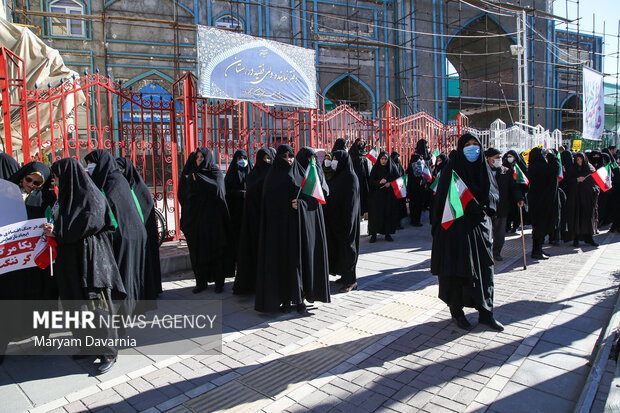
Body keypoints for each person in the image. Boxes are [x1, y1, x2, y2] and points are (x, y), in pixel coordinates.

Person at [44, 158, 126, 374]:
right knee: (75, 304)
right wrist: (53, 228)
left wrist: (58, 232)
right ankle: (87, 344)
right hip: (69, 261)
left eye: (56, 175)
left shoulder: (90, 196)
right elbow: (64, 222)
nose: (54, 180)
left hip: (91, 260)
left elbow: (91, 224)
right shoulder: (64, 197)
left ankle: (109, 351)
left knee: (97, 306)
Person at [431, 133, 502, 331]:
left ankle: (486, 313)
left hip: (480, 228)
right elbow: (441, 202)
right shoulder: (451, 169)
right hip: (456, 230)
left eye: (475, 144)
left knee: (484, 272)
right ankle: (457, 312)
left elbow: (494, 195)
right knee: (459, 272)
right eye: (468, 145)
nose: (472, 148)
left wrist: (485, 207)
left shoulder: (484, 169)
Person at [256, 145, 330, 313]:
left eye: (291, 155)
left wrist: (301, 205)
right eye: (284, 156)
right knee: (283, 265)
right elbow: (268, 204)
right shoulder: (272, 177)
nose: (288, 159)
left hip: (298, 231)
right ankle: (285, 300)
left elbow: (313, 200)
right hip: (279, 232)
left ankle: (300, 299)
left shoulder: (301, 174)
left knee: (300, 264)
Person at [85, 150, 147, 314]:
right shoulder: (114, 179)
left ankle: (125, 313)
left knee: (125, 276)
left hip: (125, 234)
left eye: (92, 164)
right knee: (128, 275)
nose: (89, 167)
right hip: (130, 232)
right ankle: (130, 310)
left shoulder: (112, 181)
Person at [178, 148, 231, 294]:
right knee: (198, 252)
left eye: (202, 157)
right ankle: (200, 282)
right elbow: (182, 195)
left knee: (216, 251)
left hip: (214, 221)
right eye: (198, 157)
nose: (199, 159)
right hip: (195, 220)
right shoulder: (190, 174)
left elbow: (219, 191)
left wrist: (201, 181)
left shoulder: (215, 172)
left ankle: (219, 283)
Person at [115, 157, 163, 299]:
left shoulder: (138, 188)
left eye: (121, 168)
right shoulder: (119, 187)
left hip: (143, 233)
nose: (119, 172)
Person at [295, 147, 330, 311]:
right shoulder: (294, 172)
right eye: (308, 158)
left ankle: (312, 292)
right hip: (300, 223)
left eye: (313, 158)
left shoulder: (316, 172)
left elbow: (323, 192)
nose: (311, 162)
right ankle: (300, 293)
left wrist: (304, 203)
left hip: (315, 219)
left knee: (313, 255)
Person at [233, 148, 273, 295]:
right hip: (254, 222)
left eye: (269, 159)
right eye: (264, 159)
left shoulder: (274, 175)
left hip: (270, 222)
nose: (267, 162)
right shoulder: (253, 176)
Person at [325, 150, 360, 293]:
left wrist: (348, 222)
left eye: (336, 159)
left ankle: (351, 281)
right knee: (339, 249)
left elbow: (351, 204)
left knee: (348, 249)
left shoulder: (351, 177)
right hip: (335, 220)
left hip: (346, 222)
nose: (333, 161)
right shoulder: (337, 175)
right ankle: (343, 275)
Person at [485, 148, 524, 261]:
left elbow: (513, 187)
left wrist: (519, 198)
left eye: (500, 157)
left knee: (500, 233)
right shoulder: (482, 171)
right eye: (496, 157)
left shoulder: (506, 171)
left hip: (501, 206)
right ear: (489, 159)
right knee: (486, 232)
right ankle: (486, 252)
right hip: (487, 207)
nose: (499, 159)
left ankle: (496, 252)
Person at [527, 147, 560, 260]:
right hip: (541, 201)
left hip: (537, 200)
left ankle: (539, 249)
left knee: (539, 227)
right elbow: (556, 167)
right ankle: (536, 251)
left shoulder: (533, 166)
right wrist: (551, 155)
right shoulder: (539, 167)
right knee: (540, 227)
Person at [225, 149, 252, 274]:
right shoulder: (231, 175)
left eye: (245, 158)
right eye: (240, 158)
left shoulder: (251, 172)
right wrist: (241, 194)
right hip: (235, 212)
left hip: (249, 211)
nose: (243, 161)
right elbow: (227, 192)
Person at [565, 152, 600, 247]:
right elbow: (567, 182)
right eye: (577, 160)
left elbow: (595, 183)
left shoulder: (590, 168)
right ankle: (575, 238)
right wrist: (576, 180)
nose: (579, 161)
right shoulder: (572, 169)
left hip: (587, 198)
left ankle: (589, 238)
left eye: (581, 159)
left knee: (587, 218)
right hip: (575, 198)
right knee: (576, 218)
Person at [368, 151, 400, 242]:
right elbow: (371, 181)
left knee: (388, 214)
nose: (383, 161)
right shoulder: (375, 168)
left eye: (385, 159)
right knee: (375, 215)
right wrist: (379, 182)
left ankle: (387, 233)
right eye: (382, 159)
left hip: (388, 196)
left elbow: (397, 180)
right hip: (377, 196)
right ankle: (373, 234)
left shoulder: (392, 168)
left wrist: (390, 184)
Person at [502, 150, 528, 233]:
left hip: (518, 191)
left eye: (511, 156)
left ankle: (516, 225)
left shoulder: (520, 165)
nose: (509, 158)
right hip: (508, 191)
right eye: (508, 156)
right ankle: (507, 225)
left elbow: (525, 177)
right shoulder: (505, 165)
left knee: (516, 210)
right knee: (508, 210)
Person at [349, 138, 372, 218]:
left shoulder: (366, 154)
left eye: (361, 142)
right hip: (356, 178)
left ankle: (365, 212)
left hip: (365, 179)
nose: (360, 144)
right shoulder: (352, 154)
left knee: (365, 194)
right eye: (358, 142)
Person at [406, 154, 431, 227]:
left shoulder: (418, 167)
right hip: (415, 190)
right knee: (415, 206)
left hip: (416, 190)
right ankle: (415, 221)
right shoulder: (413, 168)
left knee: (416, 206)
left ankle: (415, 220)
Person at [391, 151, 408, 227]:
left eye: (398, 156)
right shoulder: (391, 166)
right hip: (393, 190)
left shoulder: (400, 166)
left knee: (400, 207)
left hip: (400, 189)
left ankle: (399, 223)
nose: (397, 158)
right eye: (395, 157)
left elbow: (403, 175)